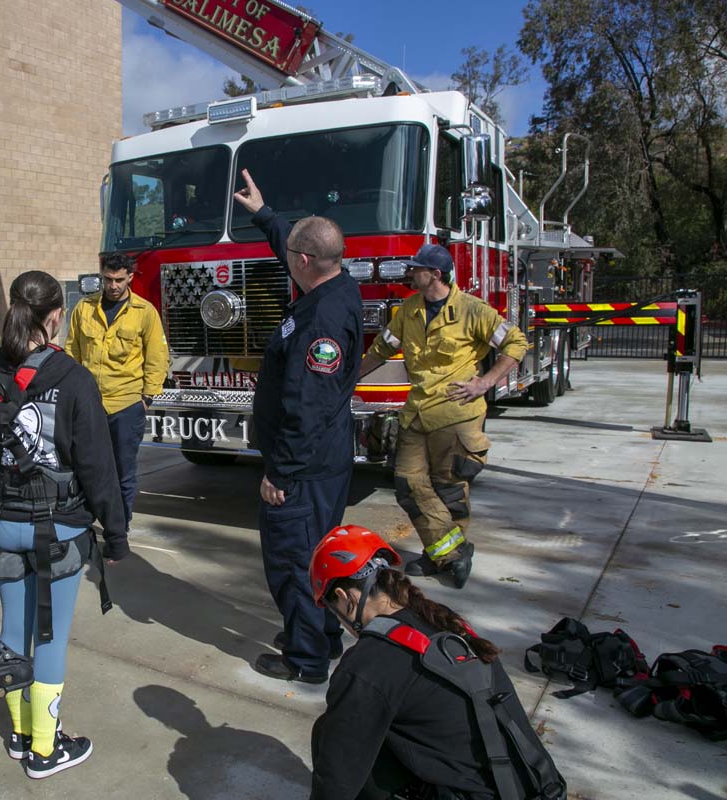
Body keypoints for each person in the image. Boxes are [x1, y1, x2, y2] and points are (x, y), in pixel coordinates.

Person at [0, 270, 129, 779]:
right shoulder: (74, 379)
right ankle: (45, 748)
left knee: (15, 631)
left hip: (4, 527)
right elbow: (98, 465)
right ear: (56, 317)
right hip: (59, 530)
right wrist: (115, 533)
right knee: (50, 640)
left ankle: (17, 734)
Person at [308, 524, 566, 800]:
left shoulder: (368, 665)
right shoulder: (440, 621)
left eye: (334, 612)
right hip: (537, 786)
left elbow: (337, 778)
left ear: (346, 598)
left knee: (329, 736)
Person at [232, 168, 363, 683]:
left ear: (304, 262)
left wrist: (280, 473)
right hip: (322, 460)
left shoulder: (322, 322)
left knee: (293, 559)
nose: (285, 256)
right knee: (318, 554)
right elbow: (297, 244)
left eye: (290, 253)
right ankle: (322, 637)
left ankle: (307, 659)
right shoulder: (333, 284)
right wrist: (264, 215)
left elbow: (306, 404)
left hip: (304, 467)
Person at [359, 244, 527, 588]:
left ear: (436, 274)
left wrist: (486, 383)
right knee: (408, 485)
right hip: (417, 414)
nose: (410, 273)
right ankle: (452, 550)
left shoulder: (471, 310)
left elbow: (515, 343)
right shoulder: (409, 310)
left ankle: (440, 554)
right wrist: (349, 378)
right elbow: (382, 348)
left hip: (455, 415)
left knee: (449, 488)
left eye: (417, 269)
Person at [64, 252, 168, 527]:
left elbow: (157, 356)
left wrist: (146, 398)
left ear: (130, 277)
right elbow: (72, 350)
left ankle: (119, 524)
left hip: (126, 405)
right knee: (87, 465)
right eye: (107, 279)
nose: (113, 286)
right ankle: (85, 519)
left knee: (122, 469)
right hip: (89, 404)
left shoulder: (144, 312)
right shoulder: (84, 309)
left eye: (119, 280)